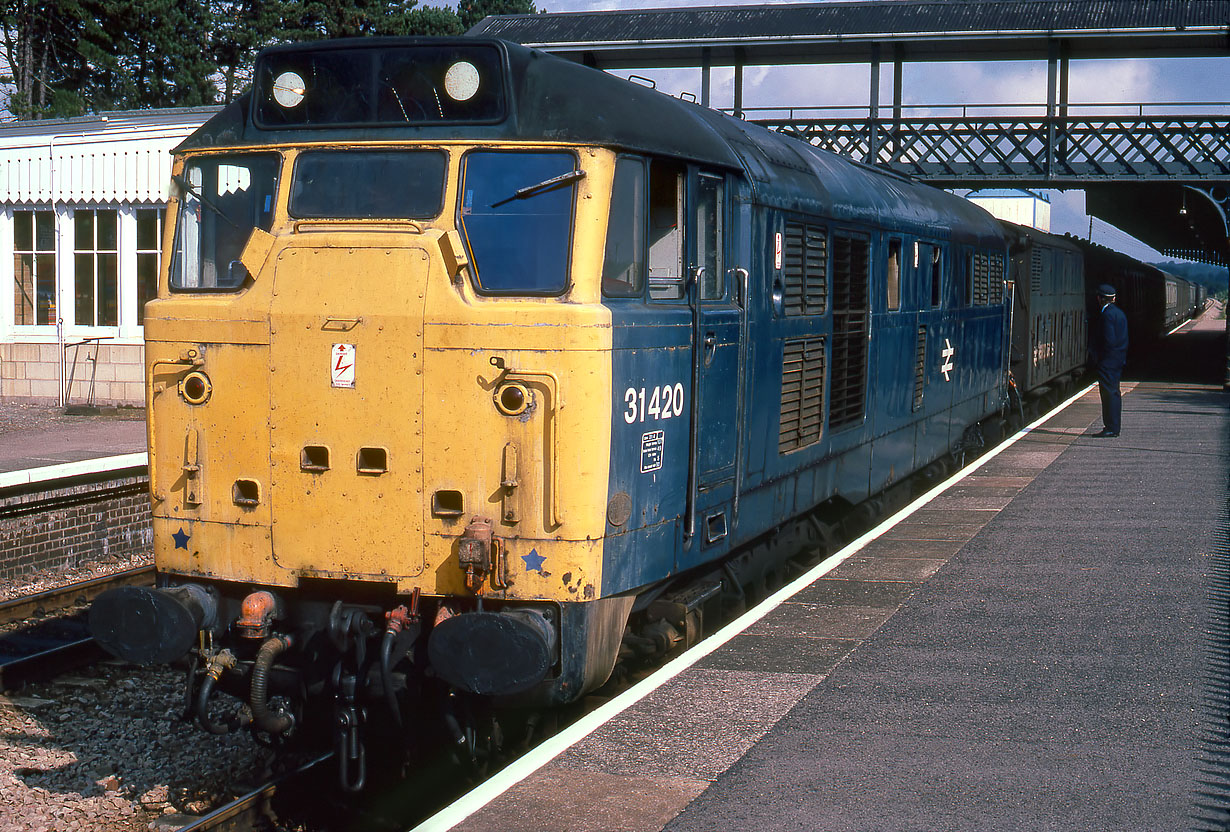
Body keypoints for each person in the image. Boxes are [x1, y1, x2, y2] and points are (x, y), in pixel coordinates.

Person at [1091, 283, 1129, 437]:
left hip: (1108, 362)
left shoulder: (1106, 315)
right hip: (1118, 359)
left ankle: (1111, 428)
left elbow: (1109, 340)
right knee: (1114, 393)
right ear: (1113, 298)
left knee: (1108, 395)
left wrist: (1100, 358)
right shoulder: (1120, 313)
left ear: (1099, 299)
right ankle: (1113, 426)